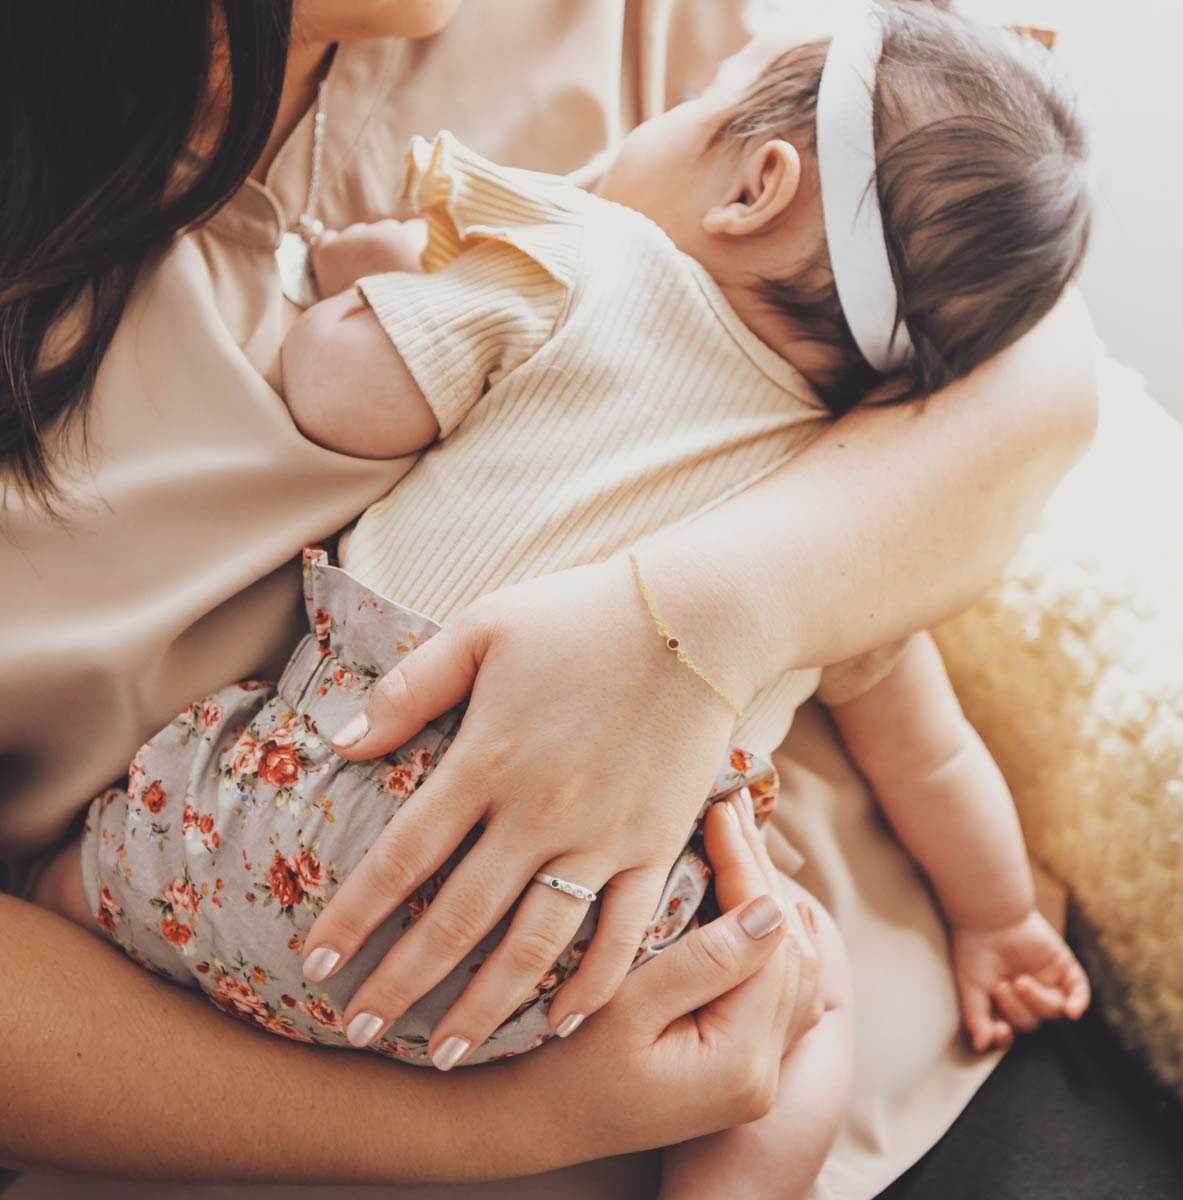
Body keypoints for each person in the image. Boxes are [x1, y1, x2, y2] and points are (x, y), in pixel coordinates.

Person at [0, 1, 1099, 1194]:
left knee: (115, 848)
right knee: (804, 983)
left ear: (757, 189)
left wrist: (694, 617)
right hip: (632, 968)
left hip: (268, 838)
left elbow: (1038, 350)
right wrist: (999, 922)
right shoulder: (814, 404)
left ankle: (88, 880)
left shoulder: (570, 248)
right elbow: (928, 756)